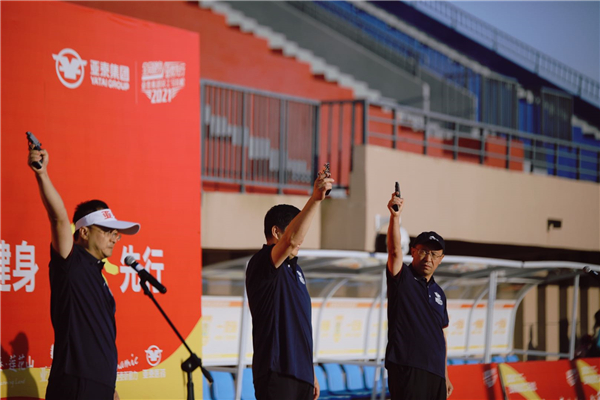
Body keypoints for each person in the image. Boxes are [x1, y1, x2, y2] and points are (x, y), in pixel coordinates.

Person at [28, 146, 140, 400]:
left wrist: (109, 388)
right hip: (74, 385)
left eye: (116, 234)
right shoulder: (71, 262)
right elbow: (58, 219)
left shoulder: (98, 274)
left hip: (100, 386)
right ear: (84, 232)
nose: (114, 238)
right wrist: (42, 174)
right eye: (107, 231)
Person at [245, 170, 333, 400]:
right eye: (297, 229)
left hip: (302, 375)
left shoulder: (297, 271)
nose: (302, 239)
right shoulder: (262, 263)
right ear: (276, 232)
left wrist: (310, 371)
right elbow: (291, 241)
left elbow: (299, 326)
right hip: (276, 373)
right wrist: (315, 199)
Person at [384, 190, 453, 399]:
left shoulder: (439, 292)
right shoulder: (401, 276)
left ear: (441, 258)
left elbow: (442, 336)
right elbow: (394, 251)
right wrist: (395, 217)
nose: (428, 258)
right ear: (413, 251)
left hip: (436, 373)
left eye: (434, 254)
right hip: (407, 366)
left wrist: (445, 373)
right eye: (423, 251)